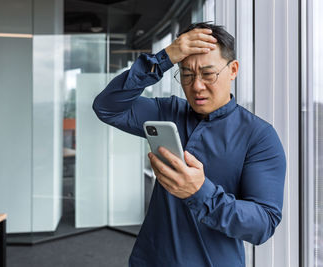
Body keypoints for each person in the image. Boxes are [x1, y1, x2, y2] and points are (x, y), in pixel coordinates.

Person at [92, 22, 286, 267]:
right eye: (186, 74)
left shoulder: (259, 136)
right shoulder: (169, 111)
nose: (196, 86)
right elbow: (107, 107)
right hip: (150, 260)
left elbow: (263, 224)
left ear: (233, 69)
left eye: (208, 74)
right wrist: (164, 58)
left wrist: (199, 192)